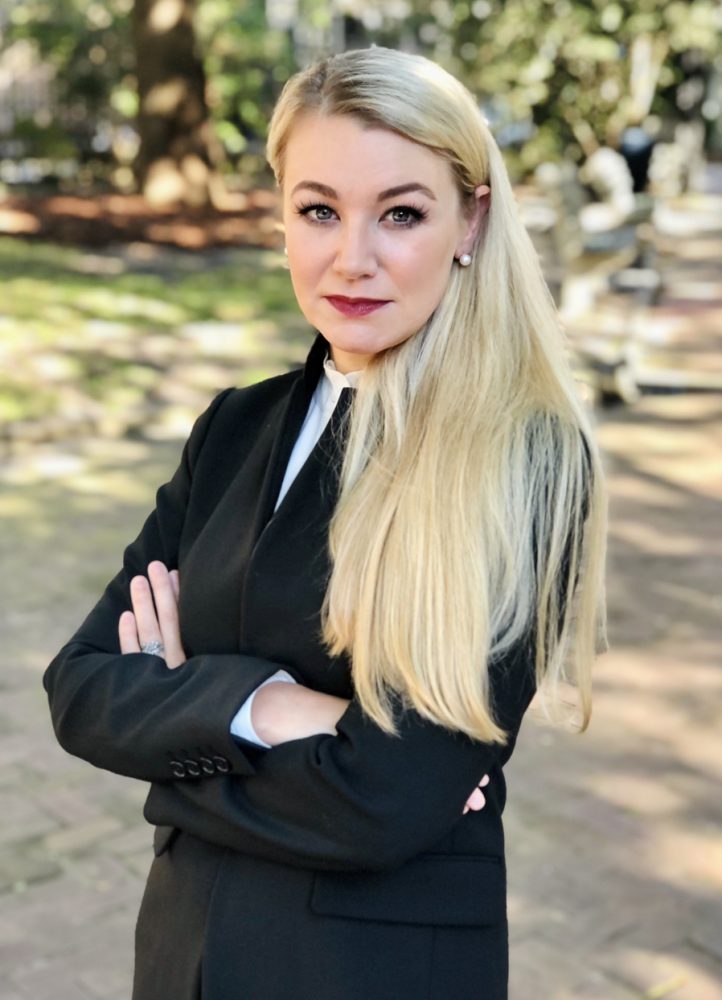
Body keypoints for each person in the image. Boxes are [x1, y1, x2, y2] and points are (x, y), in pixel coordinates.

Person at [43, 45, 607, 1000]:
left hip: (370, 970)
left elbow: (383, 803)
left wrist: (179, 713)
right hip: (186, 952)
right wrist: (276, 706)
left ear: (470, 219)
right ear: (281, 216)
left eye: (400, 213)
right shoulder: (234, 427)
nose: (353, 257)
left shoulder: (529, 461)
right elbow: (82, 690)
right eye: (318, 211)